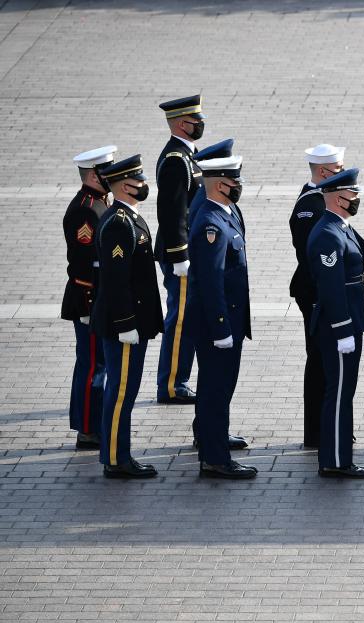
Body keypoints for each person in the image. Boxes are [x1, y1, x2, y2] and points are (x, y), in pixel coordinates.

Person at [91, 155, 164, 479]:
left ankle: (117, 454)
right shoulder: (119, 223)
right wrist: (125, 325)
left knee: (125, 390)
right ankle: (116, 459)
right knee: (121, 392)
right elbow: (116, 279)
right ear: (124, 185)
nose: (143, 183)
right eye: (138, 179)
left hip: (133, 323)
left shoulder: (128, 217)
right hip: (125, 326)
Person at [186, 155, 257, 480]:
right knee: (216, 388)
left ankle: (212, 439)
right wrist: (220, 327)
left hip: (229, 319)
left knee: (217, 387)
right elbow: (211, 280)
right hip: (219, 323)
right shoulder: (210, 224)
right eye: (234, 180)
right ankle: (215, 458)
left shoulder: (228, 212)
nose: (239, 185)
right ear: (217, 184)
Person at [306, 168, 364, 479]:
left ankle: (339, 455)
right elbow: (332, 289)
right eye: (353, 193)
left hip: (350, 322)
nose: (357, 198)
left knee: (345, 392)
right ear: (336, 197)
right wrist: (344, 330)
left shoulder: (340, 227)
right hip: (339, 328)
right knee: (339, 392)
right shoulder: (326, 235)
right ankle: (334, 460)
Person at [290, 144, 345, 447]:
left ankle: (324, 427)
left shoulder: (319, 198)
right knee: (320, 361)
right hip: (315, 293)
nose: (343, 173)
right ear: (323, 172)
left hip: (319, 292)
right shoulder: (311, 205)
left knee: (325, 360)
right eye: (338, 169)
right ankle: (317, 431)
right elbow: (314, 256)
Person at [62, 145, 115, 450]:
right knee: (92, 364)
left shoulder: (98, 203)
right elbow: (83, 261)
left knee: (99, 363)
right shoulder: (85, 208)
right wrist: (89, 304)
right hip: (88, 299)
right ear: (94, 175)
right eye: (106, 171)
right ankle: (86, 428)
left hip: (94, 298)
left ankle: (92, 423)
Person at [155, 94, 205, 404]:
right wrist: (180, 256)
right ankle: (172, 384)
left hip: (188, 251)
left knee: (187, 317)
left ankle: (179, 378)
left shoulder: (188, 155)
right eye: (196, 121)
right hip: (180, 255)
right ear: (180, 123)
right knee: (181, 319)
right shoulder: (175, 159)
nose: (201, 125)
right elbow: (172, 211)